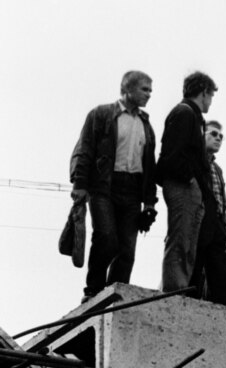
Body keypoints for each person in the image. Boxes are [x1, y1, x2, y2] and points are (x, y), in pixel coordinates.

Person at [70, 70, 158, 302]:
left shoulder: (146, 125)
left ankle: (115, 293)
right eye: (144, 89)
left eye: (150, 90)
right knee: (106, 238)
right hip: (103, 187)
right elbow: (85, 150)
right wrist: (80, 185)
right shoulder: (100, 114)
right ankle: (93, 292)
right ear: (127, 89)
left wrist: (149, 202)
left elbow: (150, 166)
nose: (149, 94)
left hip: (133, 191)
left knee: (127, 250)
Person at [159, 71, 217, 293]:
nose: (210, 101)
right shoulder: (184, 113)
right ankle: (175, 287)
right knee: (181, 239)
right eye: (211, 95)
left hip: (187, 186)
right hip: (183, 186)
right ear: (204, 92)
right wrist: (191, 180)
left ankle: (179, 286)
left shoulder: (189, 114)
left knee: (188, 239)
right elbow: (172, 155)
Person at [191, 120, 226, 304]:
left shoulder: (218, 169)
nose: (218, 139)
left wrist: (224, 224)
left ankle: (223, 307)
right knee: (195, 264)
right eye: (213, 134)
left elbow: (221, 199)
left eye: (221, 136)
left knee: (220, 271)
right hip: (199, 220)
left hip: (217, 223)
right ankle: (188, 302)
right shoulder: (195, 162)